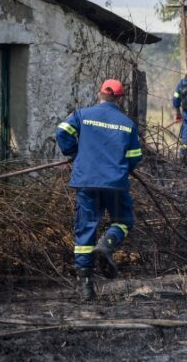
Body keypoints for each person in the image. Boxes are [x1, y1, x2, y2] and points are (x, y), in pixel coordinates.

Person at [56, 79, 143, 301]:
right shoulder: (127, 124)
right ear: (120, 98)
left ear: (99, 94)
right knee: (124, 221)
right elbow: (135, 157)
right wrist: (121, 169)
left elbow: (62, 131)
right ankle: (107, 244)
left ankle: (86, 287)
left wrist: (74, 153)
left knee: (85, 229)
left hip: (86, 181)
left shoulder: (82, 115)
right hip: (114, 182)